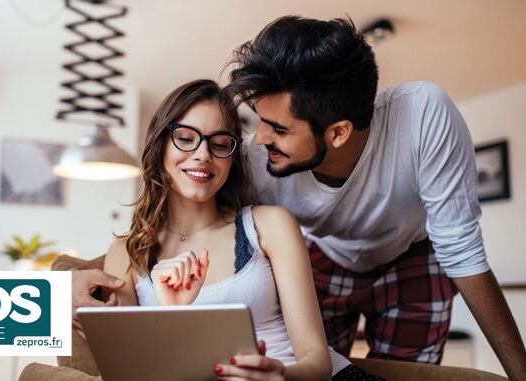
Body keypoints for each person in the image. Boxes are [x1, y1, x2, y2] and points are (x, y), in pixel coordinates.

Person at [74, 15, 526, 380]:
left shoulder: (420, 116)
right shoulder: (254, 163)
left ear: (337, 133)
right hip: (325, 258)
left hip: (410, 256)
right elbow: (152, 244)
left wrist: (525, 379)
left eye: (275, 129)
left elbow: (460, 249)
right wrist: (65, 288)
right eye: (255, 125)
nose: (256, 143)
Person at [99, 79, 381, 380]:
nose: (203, 154)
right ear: (159, 145)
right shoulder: (124, 253)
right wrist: (169, 312)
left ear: (233, 158)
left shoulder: (270, 225)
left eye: (219, 144)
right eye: (185, 138)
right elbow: (126, 371)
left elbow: (317, 359)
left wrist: (281, 376)